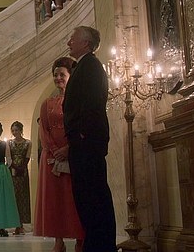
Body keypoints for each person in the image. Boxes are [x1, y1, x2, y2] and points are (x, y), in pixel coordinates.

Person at [63, 26, 116, 251]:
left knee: (93, 197)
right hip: (83, 143)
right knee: (86, 198)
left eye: (72, 39)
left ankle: (101, 246)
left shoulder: (91, 67)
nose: (69, 43)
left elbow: (92, 103)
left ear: (85, 43)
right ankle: (95, 244)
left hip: (87, 143)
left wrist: (81, 134)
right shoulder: (83, 66)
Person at [35, 56, 84, 252]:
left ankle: (80, 239)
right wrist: (55, 151)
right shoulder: (47, 103)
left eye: (62, 74)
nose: (58, 78)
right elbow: (43, 130)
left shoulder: (78, 101)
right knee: (54, 200)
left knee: (74, 199)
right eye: (55, 75)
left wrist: (69, 149)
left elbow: (82, 127)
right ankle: (58, 240)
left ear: (70, 76)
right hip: (51, 158)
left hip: (74, 154)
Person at [8, 121, 31, 235]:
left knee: (23, 197)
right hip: (13, 171)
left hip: (23, 172)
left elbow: (27, 156)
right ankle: (15, 223)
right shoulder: (9, 143)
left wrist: (22, 167)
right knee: (14, 197)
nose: (14, 132)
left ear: (21, 130)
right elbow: (8, 157)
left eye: (16, 130)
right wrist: (14, 167)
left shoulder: (28, 142)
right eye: (12, 130)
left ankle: (21, 224)